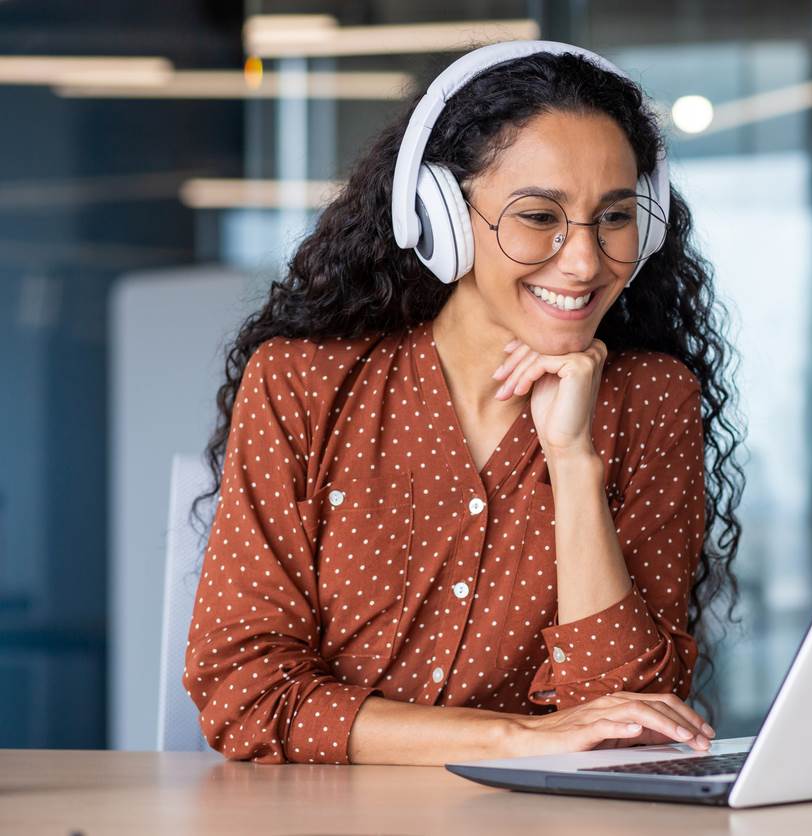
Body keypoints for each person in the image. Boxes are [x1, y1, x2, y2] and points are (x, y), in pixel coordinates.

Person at [183, 40, 743, 767]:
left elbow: (627, 718)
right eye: (539, 216)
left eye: (614, 218)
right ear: (440, 218)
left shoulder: (651, 400)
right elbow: (245, 693)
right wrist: (511, 738)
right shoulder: (301, 384)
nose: (584, 261)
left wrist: (574, 465)